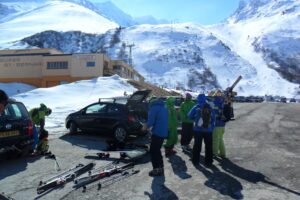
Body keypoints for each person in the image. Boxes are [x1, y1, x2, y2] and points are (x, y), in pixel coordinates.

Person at [142, 97, 168, 176]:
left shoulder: (154, 108)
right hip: (163, 132)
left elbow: (150, 122)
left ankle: (157, 169)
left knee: (153, 151)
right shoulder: (163, 108)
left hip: (157, 133)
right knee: (157, 150)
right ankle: (160, 168)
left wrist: (144, 127)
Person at [188, 94, 215, 167]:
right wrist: (211, 128)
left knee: (197, 145)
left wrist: (196, 119)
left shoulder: (196, 107)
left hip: (197, 130)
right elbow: (213, 119)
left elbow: (189, 116)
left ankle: (195, 161)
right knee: (208, 146)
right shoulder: (210, 107)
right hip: (208, 130)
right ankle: (209, 161)